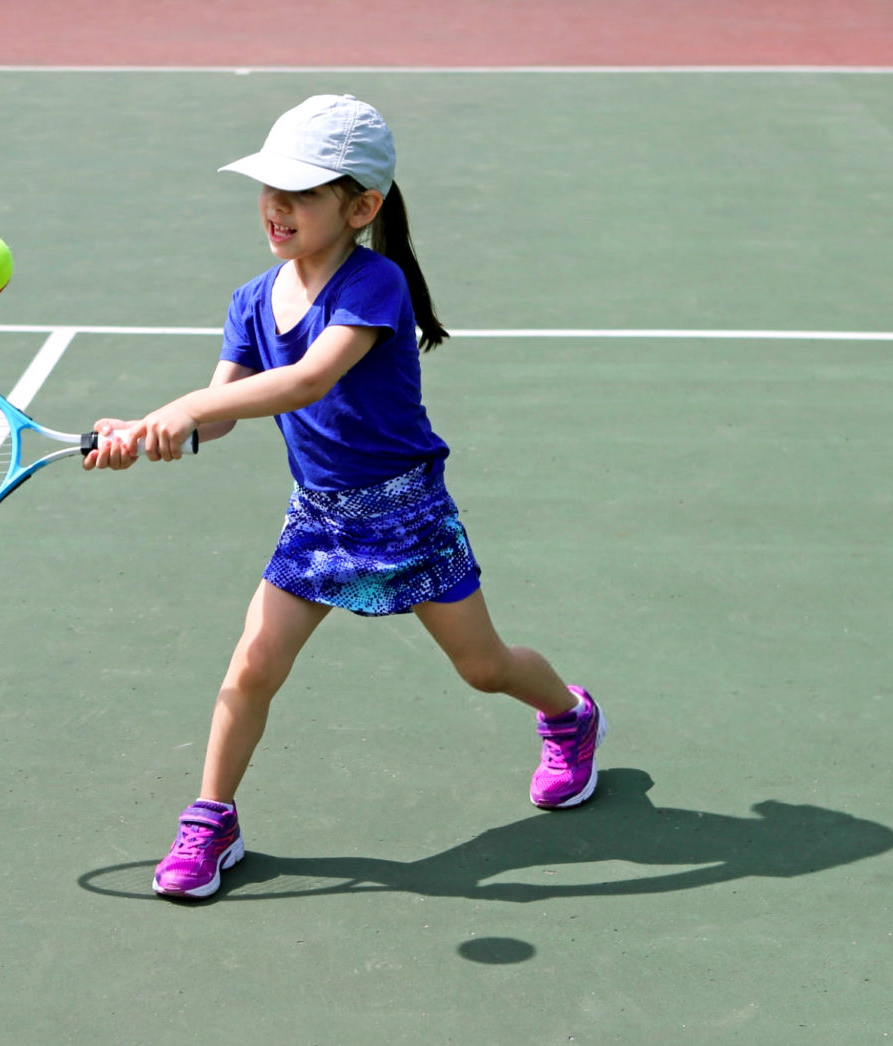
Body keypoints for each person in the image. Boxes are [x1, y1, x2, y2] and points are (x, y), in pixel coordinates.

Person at [83, 94, 606, 900]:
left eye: (300, 191)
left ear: (362, 206)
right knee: (252, 665)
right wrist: (149, 433)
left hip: (408, 515)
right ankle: (212, 818)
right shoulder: (251, 301)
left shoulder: (375, 284)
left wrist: (183, 410)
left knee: (482, 666)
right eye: (268, 186)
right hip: (320, 520)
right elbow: (218, 418)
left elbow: (306, 380)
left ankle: (569, 715)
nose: (275, 206)